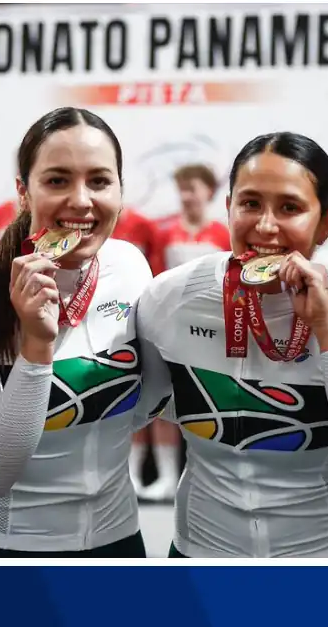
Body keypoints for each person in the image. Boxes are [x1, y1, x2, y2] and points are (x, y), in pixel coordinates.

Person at [136, 132, 328, 558]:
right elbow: (136, 411)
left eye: (289, 208)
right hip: (203, 556)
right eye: (250, 204)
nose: (265, 226)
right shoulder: (171, 296)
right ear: (228, 207)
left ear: (326, 223)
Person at [0, 107, 171, 558]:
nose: (81, 201)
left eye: (99, 181)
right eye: (57, 180)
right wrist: (37, 348)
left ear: (120, 189)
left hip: (116, 546)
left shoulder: (129, 266)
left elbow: (147, 402)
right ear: (23, 191)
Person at [132, 164, 231, 502]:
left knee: (207, 403)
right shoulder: (167, 233)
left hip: (212, 331)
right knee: (164, 401)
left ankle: (208, 477)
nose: (187, 196)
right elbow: (156, 279)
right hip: (170, 327)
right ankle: (166, 478)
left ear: (209, 192)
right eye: (182, 189)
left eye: (193, 188)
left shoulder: (223, 234)